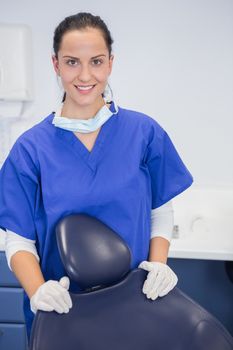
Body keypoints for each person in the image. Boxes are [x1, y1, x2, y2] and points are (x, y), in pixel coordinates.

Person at [0, 12, 193, 340]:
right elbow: (18, 239)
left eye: (97, 61)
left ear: (111, 63)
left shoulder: (143, 133)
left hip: (134, 305)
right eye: (72, 62)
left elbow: (159, 209)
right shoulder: (30, 149)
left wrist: (158, 264)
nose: (85, 75)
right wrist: (38, 291)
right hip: (62, 314)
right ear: (55, 64)